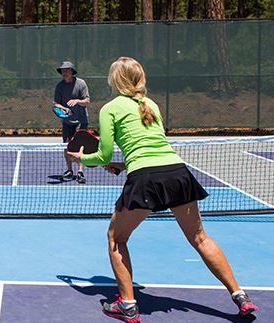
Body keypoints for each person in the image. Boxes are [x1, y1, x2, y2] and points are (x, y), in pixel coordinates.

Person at [68, 57, 258, 322]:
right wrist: (123, 165)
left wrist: (81, 159)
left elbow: (102, 154)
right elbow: (152, 146)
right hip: (177, 172)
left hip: (146, 179)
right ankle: (240, 296)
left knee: (116, 238)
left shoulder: (110, 108)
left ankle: (128, 304)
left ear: (115, 80)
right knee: (200, 238)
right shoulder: (151, 105)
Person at [53, 61, 91, 184]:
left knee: (80, 146)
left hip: (81, 120)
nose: (64, 72)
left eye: (67, 70)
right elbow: (56, 104)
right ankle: (69, 170)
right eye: (63, 71)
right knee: (66, 145)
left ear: (72, 72)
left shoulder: (81, 84)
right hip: (67, 122)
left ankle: (80, 172)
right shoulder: (59, 86)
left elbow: (87, 101)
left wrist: (76, 101)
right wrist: (63, 109)